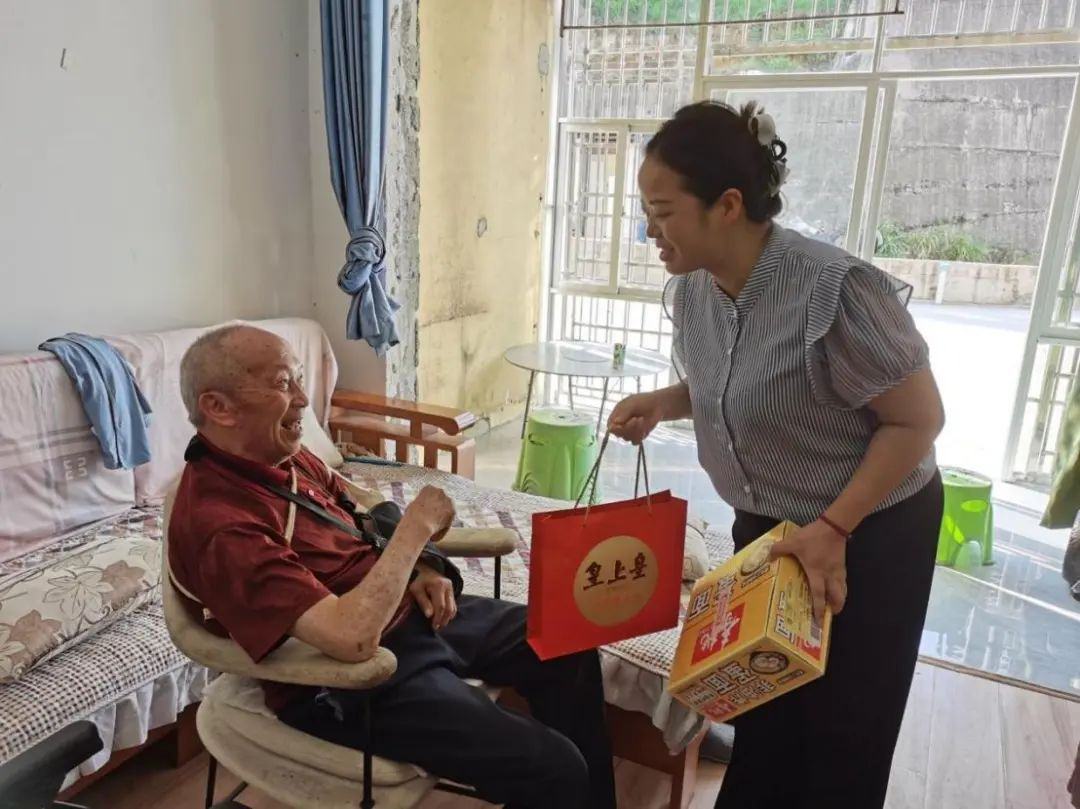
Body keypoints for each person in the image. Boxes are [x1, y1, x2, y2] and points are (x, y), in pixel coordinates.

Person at [609, 101, 945, 809]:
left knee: (845, 730)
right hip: (769, 528)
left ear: (728, 205)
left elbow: (917, 420)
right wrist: (666, 401)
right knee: (762, 707)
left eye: (662, 212)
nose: (649, 230)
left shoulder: (835, 291)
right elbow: (738, 385)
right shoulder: (693, 293)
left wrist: (835, 528)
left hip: (869, 531)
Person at [168, 324, 616, 809]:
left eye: (298, 378)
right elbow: (349, 638)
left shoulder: (283, 458)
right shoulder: (223, 527)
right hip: (343, 676)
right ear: (219, 407)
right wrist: (415, 531)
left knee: (567, 643)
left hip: (406, 616)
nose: (302, 399)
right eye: (282, 383)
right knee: (555, 767)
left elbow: (366, 505)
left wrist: (423, 565)